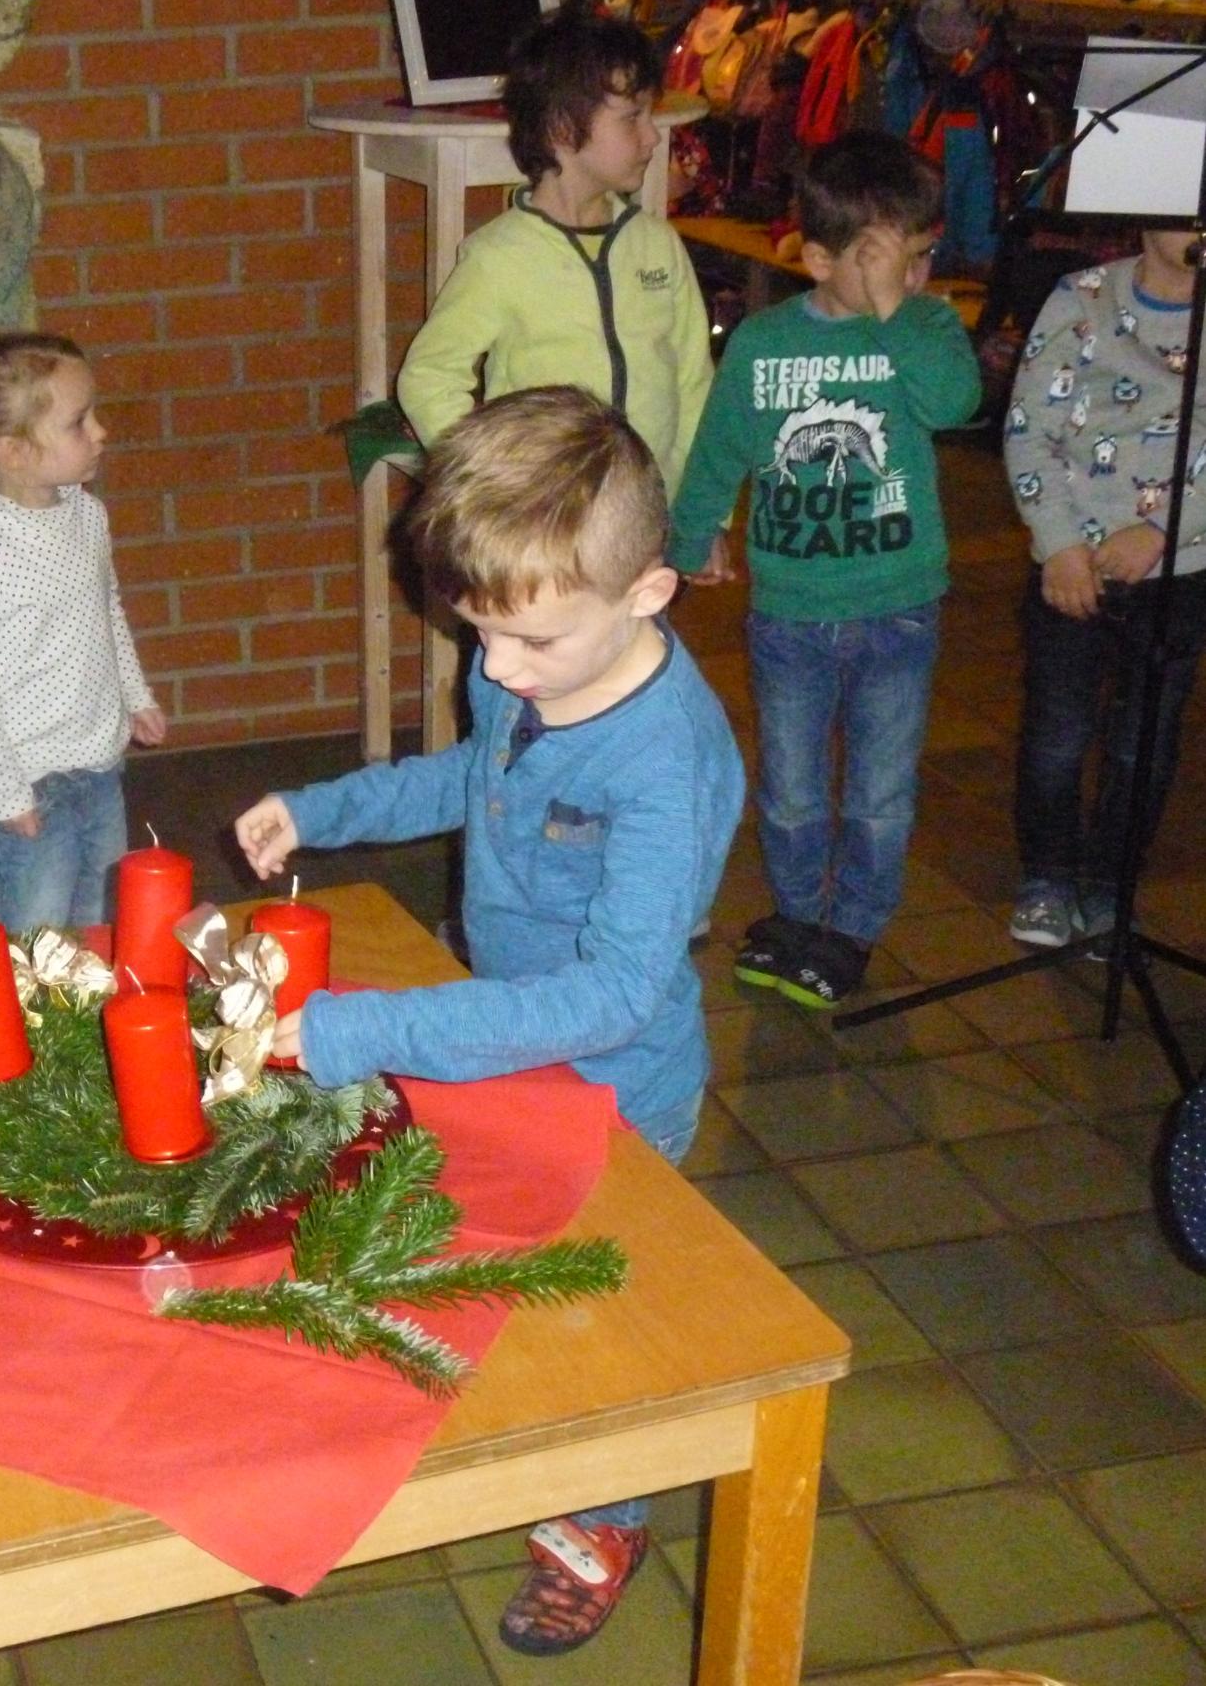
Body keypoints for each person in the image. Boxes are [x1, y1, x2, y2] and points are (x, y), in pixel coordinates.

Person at [235, 386, 743, 1656]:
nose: (496, 672)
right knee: (486, 1252)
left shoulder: (662, 764)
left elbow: (618, 991)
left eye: (528, 648)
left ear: (647, 593)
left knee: (593, 1313)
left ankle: (605, 1513)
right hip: (504, 1039)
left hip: (616, 1081)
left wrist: (356, 1030)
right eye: (479, 636)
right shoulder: (528, 647)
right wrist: (324, 807)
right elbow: (475, 770)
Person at [668, 131, 980, 1006]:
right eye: (880, 261)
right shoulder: (764, 345)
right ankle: (801, 916)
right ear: (815, 257)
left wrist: (891, 308)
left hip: (899, 606)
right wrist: (692, 535)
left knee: (881, 791)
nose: (905, 278)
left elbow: (954, 404)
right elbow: (720, 448)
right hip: (791, 610)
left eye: (916, 257)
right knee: (794, 788)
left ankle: (854, 929)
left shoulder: (925, 328)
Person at [395, 4, 715, 492]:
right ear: (564, 130)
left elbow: (695, 385)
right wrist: (497, 486)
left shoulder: (657, 246)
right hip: (550, 530)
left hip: (647, 523)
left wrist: (699, 511)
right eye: (633, 118)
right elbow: (428, 376)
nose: (653, 135)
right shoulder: (499, 257)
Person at [1002, 232, 1206, 948]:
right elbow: (1030, 426)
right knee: (1059, 730)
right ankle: (1049, 874)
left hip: (1178, 569)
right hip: (1072, 562)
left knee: (1144, 740)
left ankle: (1111, 880)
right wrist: (1059, 544)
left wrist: (1163, 531)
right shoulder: (1082, 297)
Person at [0, 332, 164, 930]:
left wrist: (134, 695)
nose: (100, 432)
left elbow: (106, 610)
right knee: (39, 931)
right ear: (13, 453)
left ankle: (88, 1020)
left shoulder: (87, 515)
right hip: (30, 783)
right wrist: (8, 795)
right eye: (79, 422)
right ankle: (31, 1024)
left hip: (97, 761)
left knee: (99, 918)